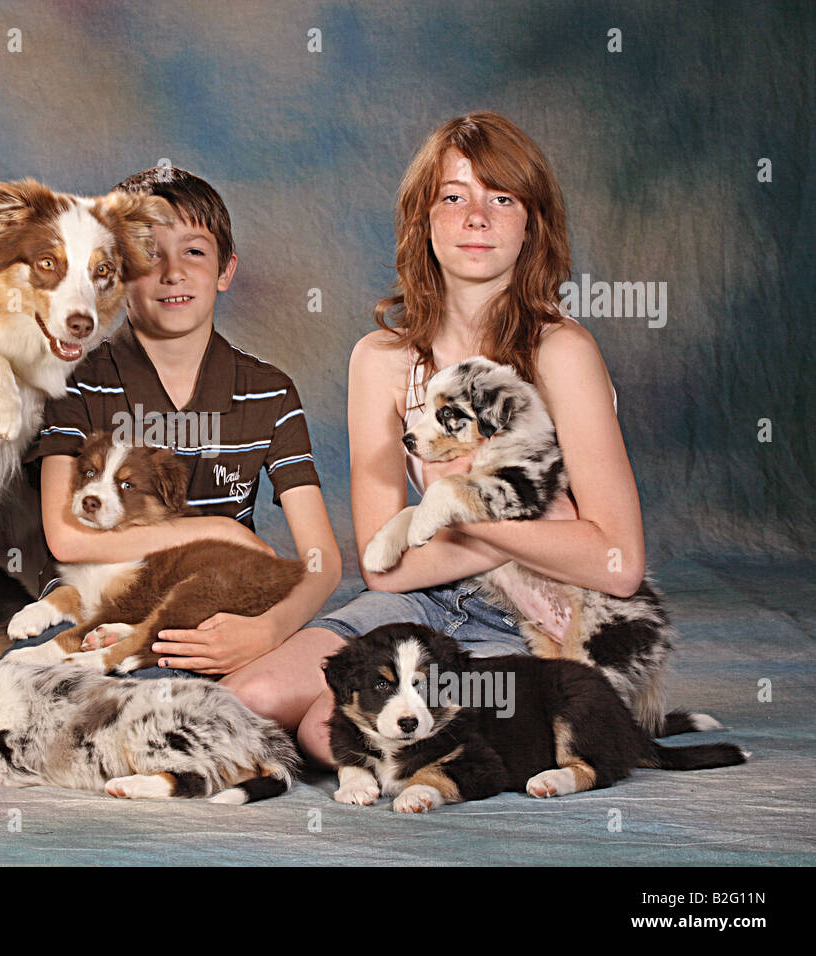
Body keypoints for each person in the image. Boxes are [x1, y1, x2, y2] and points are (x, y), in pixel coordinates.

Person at [260, 111, 647, 768]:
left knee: (331, 736)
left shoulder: (562, 352)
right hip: (422, 602)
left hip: (543, 614)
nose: (477, 217)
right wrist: (536, 519)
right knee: (261, 692)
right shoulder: (380, 359)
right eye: (454, 196)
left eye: (502, 198)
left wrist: (453, 508)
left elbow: (616, 561)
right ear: (424, 220)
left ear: (532, 225)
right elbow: (386, 570)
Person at [11, 165, 342, 692]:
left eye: (193, 251)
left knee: (286, 696)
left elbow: (322, 560)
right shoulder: (73, 383)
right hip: (87, 610)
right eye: (149, 255)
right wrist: (222, 528)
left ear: (225, 269)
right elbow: (67, 538)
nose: (172, 273)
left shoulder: (270, 392)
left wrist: (268, 629)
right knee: (38, 688)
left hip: (215, 611)